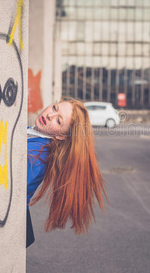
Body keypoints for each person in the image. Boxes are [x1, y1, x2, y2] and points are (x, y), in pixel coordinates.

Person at [26, 97, 107, 247]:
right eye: (55, 108)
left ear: (61, 136)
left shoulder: (37, 157)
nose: (50, 116)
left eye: (58, 121)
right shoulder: (33, 133)